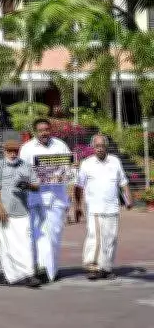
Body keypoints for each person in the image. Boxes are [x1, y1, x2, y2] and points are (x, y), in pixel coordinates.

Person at [19, 118, 72, 282]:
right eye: (41, 130)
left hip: (57, 198)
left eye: (47, 129)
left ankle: (51, 271)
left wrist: (64, 173)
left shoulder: (60, 145)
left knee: (54, 236)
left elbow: (69, 169)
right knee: (37, 235)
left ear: (50, 130)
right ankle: (40, 268)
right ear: (35, 132)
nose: (44, 133)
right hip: (35, 198)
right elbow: (22, 172)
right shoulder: (27, 149)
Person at [74, 134, 132, 280]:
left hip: (112, 207)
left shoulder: (115, 161)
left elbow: (123, 182)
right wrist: (77, 206)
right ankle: (92, 267)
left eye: (102, 146)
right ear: (93, 147)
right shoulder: (87, 163)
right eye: (97, 146)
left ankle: (106, 267)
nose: (99, 149)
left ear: (106, 147)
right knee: (95, 238)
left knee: (110, 238)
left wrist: (128, 199)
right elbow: (78, 186)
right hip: (94, 208)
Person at [0, 140, 42, 288]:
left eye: (15, 151)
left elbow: (37, 186)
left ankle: (29, 275)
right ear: (4, 150)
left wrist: (27, 185)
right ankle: (11, 277)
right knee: (5, 246)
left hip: (22, 212)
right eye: (9, 151)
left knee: (25, 245)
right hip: (3, 213)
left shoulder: (25, 166)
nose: (13, 154)